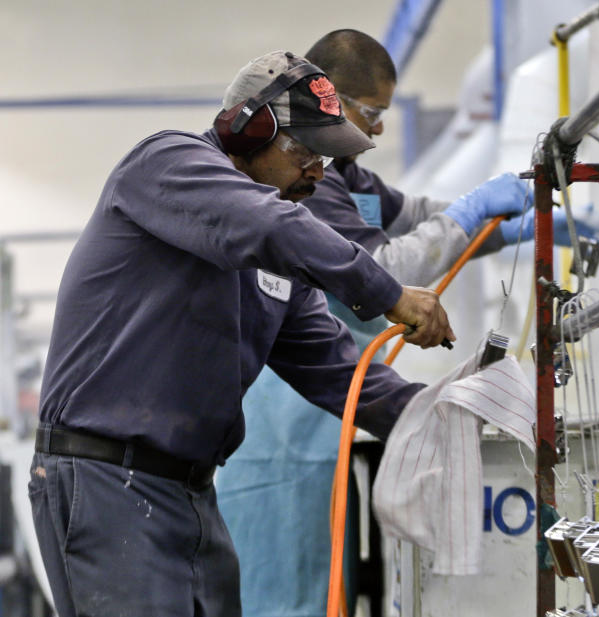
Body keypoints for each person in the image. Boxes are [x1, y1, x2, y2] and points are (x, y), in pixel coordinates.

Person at [24, 49, 491, 617]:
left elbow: (341, 373)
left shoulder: (274, 268)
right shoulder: (167, 163)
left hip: (189, 493)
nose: (318, 174)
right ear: (248, 129)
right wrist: (390, 292)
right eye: (309, 153)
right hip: (106, 482)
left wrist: (451, 417)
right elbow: (269, 224)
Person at [216, 30, 599, 617]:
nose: (377, 130)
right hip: (285, 418)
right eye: (370, 113)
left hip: (337, 402)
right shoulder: (306, 187)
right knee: (286, 575)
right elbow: (380, 268)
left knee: (329, 569)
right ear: (327, 101)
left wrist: (504, 223)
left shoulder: (352, 182)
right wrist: (471, 213)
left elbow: (418, 220)